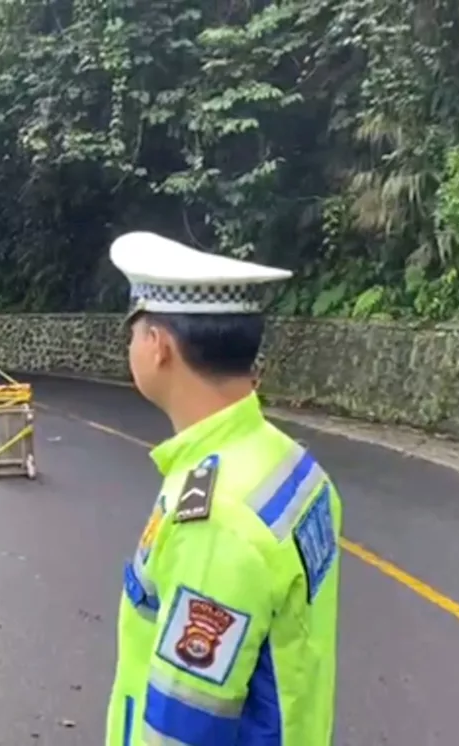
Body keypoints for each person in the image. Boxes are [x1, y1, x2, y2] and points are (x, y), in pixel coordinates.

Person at [105, 231, 342, 746]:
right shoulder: (289, 464)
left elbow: (184, 730)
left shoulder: (217, 521)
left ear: (158, 345)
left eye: (133, 331)